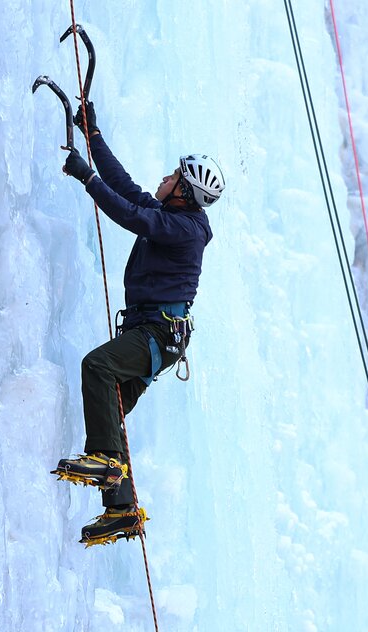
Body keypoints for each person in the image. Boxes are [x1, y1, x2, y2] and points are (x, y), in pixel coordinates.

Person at [50, 99, 224, 546]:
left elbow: (131, 216)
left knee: (97, 367)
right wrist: (93, 136)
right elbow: (125, 187)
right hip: (154, 336)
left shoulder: (186, 230)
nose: (164, 179)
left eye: (172, 176)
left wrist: (85, 177)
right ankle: (121, 509)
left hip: (156, 334)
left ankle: (106, 462)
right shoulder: (173, 216)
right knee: (113, 411)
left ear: (183, 191)